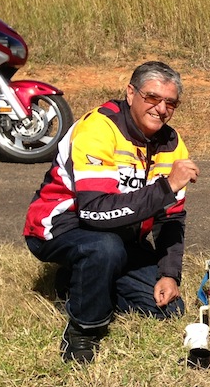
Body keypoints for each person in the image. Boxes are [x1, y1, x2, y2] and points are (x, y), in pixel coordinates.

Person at [24, 61, 200, 364]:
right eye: (152, 98)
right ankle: (83, 329)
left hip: (121, 233)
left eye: (170, 103)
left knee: (168, 308)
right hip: (60, 225)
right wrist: (165, 187)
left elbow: (171, 217)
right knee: (105, 249)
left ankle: (75, 282)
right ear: (130, 93)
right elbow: (94, 212)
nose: (161, 109)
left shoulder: (173, 143)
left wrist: (169, 274)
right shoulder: (98, 129)